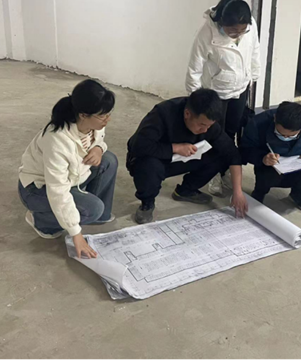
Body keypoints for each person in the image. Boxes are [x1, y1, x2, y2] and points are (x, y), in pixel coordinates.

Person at [18, 79, 118, 259]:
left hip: (71, 177)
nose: (107, 120)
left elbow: (99, 140)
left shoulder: (92, 125)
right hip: (38, 188)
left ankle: (95, 214)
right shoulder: (57, 140)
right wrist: (76, 234)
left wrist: (98, 148)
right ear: (83, 115)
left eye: (108, 114)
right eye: (102, 116)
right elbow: (58, 190)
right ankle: (41, 221)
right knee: (92, 208)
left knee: (108, 160)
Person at [127, 88, 248, 224]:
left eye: (209, 126)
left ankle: (186, 190)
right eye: (202, 125)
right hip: (157, 158)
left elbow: (232, 153)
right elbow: (138, 146)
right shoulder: (162, 114)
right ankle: (147, 203)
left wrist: (238, 192)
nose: (205, 130)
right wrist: (175, 148)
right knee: (148, 164)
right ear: (187, 114)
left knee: (220, 155)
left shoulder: (208, 123)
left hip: (184, 158)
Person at [185, 0, 261, 196]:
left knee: (231, 132)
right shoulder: (206, 34)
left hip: (241, 89)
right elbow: (194, 68)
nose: (238, 34)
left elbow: (255, 50)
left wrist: (254, 76)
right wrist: (195, 102)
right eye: (233, 31)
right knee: (214, 134)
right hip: (216, 93)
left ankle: (225, 169)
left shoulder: (250, 26)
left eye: (242, 30)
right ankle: (213, 175)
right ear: (222, 23)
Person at [239, 101, 301, 213]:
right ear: (275, 118)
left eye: (291, 135)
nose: (285, 137)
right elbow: (245, 149)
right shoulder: (257, 123)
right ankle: (259, 193)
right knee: (265, 177)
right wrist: (262, 158)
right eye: (280, 134)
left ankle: (298, 195)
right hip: (271, 165)